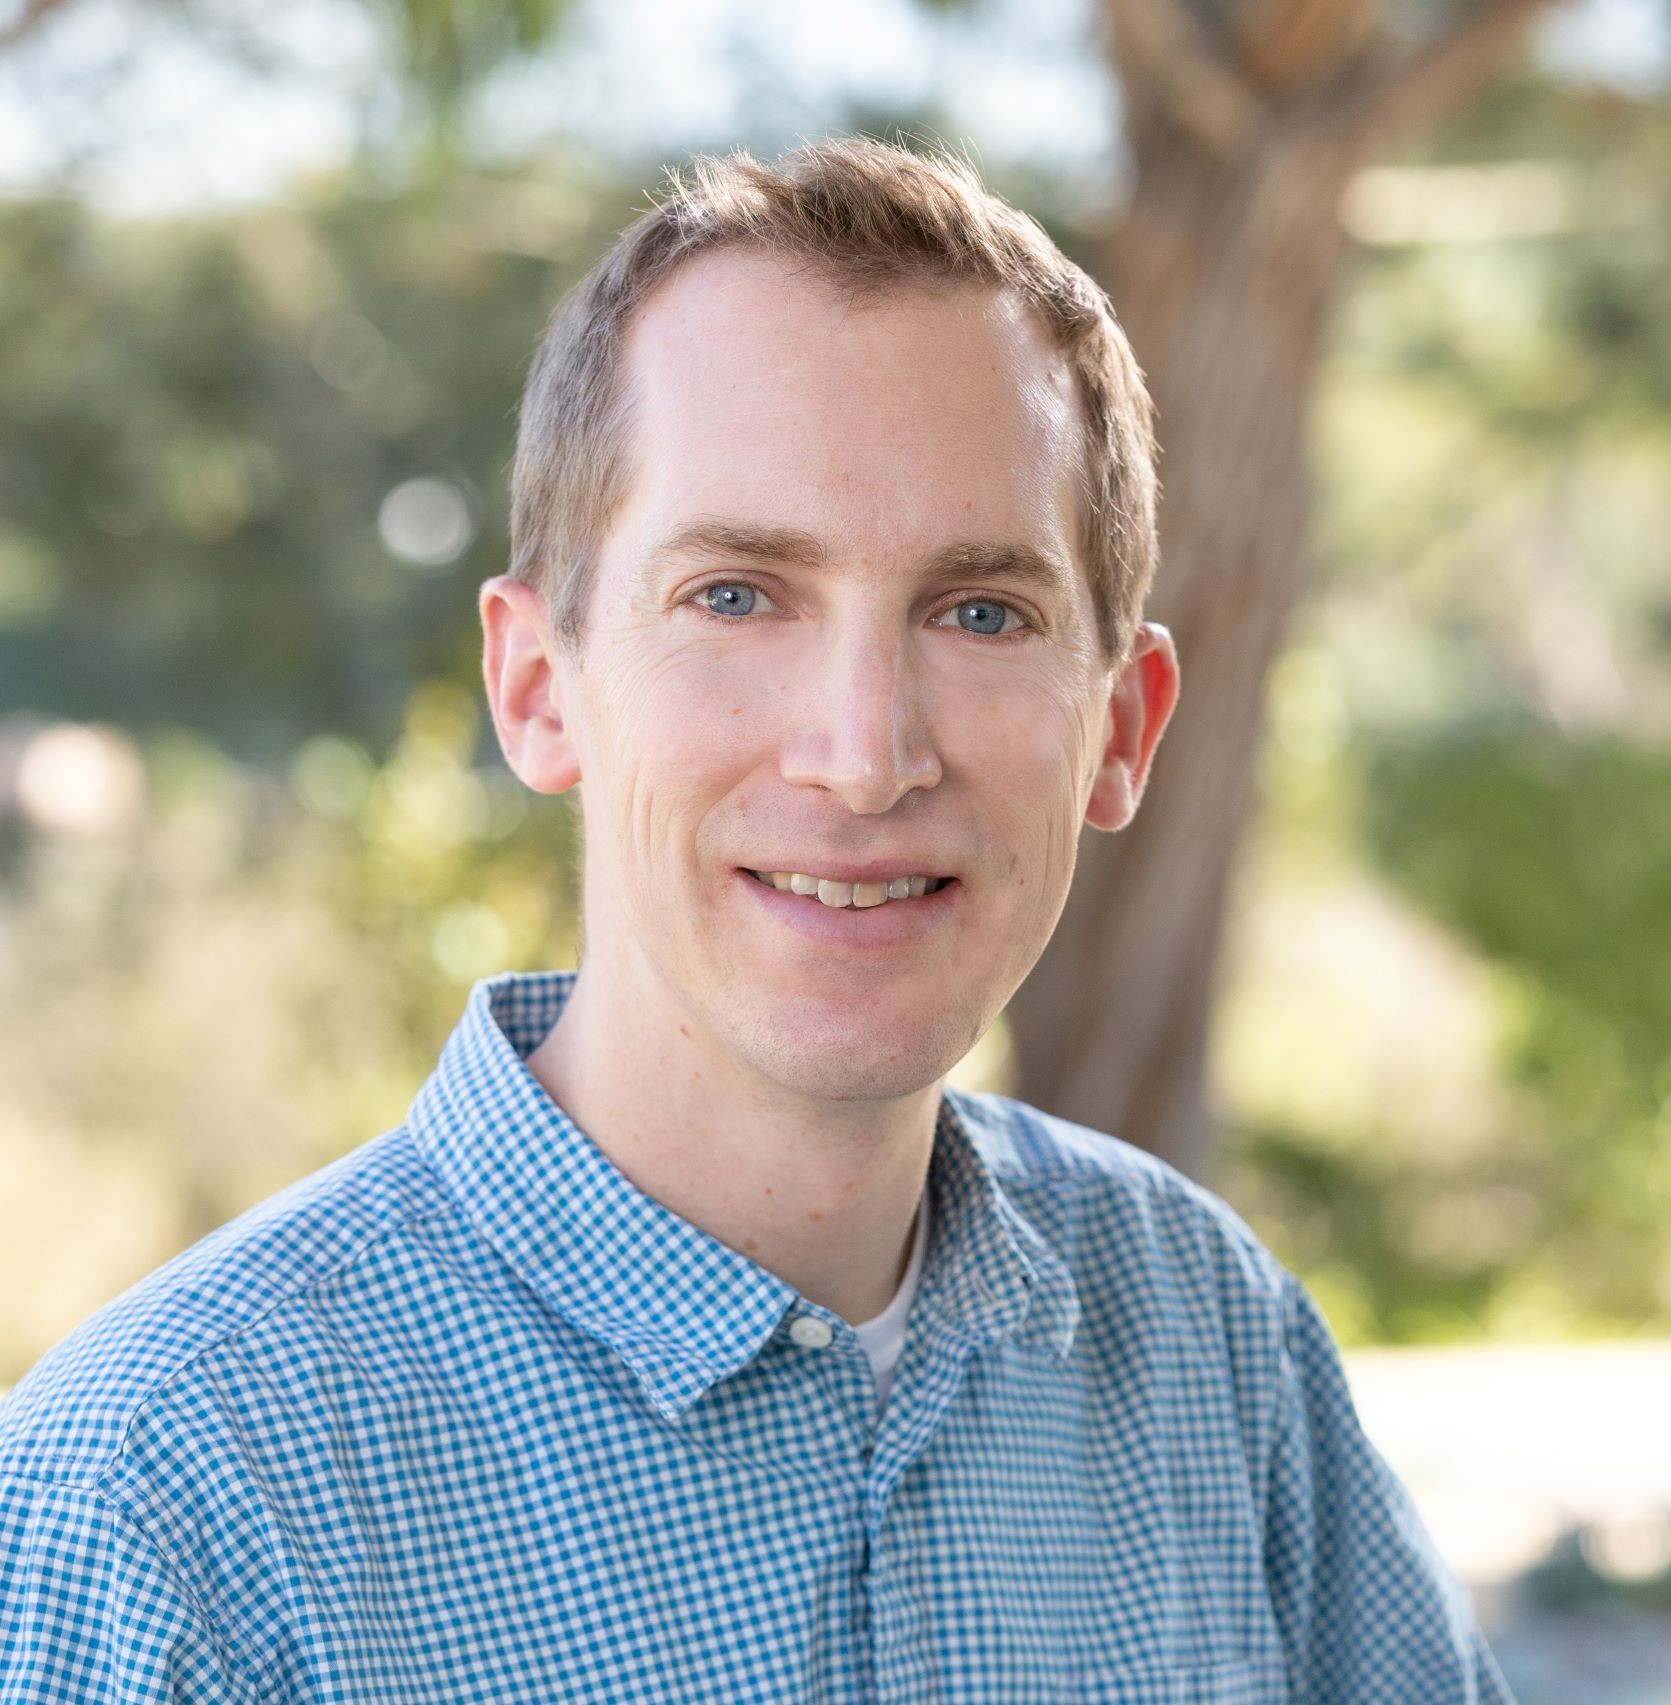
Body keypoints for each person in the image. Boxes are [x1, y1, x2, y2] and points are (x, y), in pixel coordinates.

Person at [0, 137, 1513, 1703]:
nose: (863, 755)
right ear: (537, 689)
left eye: (981, 611)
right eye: (736, 593)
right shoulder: (153, 1510)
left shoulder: (1210, 1346)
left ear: (1121, 729)